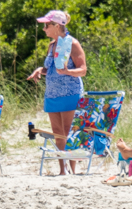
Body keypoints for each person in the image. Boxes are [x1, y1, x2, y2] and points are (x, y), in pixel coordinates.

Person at [26, 10, 88, 174]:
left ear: (56, 26)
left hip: (70, 93)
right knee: (58, 133)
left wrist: (68, 71)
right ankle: (62, 169)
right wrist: (41, 70)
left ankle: (72, 169)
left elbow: (83, 70)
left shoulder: (72, 43)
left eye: (46, 25)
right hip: (52, 94)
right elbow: (51, 68)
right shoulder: (52, 45)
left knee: (69, 132)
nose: (44, 28)